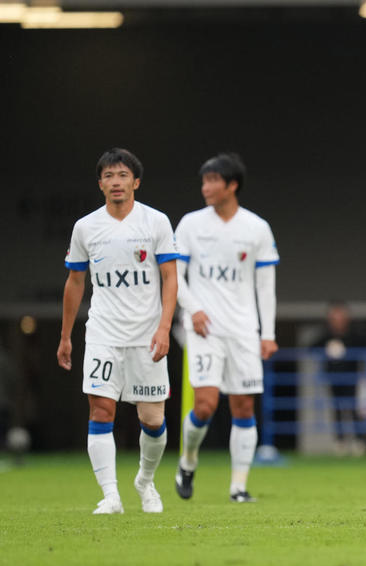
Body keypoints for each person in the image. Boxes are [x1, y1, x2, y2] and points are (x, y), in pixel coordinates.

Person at [57, 148, 178, 514]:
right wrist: (65, 336)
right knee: (100, 411)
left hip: (146, 336)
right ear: (100, 184)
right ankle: (110, 495)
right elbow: (75, 281)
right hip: (103, 333)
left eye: (122, 175)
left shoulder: (156, 222)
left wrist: (164, 326)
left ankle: (145, 480)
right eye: (109, 176)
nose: (115, 182)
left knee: (152, 420)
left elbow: (170, 277)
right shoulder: (86, 227)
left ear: (136, 182)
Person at [172, 153, 279, 503]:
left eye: (212, 181)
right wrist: (194, 309)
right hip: (204, 329)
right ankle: (188, 462)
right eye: (204, 181)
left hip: (243, 330)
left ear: (231, 185)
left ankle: (238, 487)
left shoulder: (257, 228)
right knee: (204, 405)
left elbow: (265, 286)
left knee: (244, 407)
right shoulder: (190, 224)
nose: (205, 187)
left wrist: (268, 334)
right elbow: (175, 276)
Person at [319, 301, 366, 450]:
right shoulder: (326, 336)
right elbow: (310, 347)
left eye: (341, 316)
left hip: (352, 377)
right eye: (334, 316)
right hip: (333, 378)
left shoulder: (355, 335)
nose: (338, 319)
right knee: (336, 409)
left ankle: (359, 442)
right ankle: (340, 442)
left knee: (354, 409)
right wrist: (327, 349)